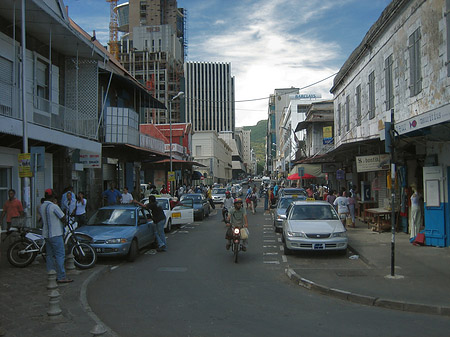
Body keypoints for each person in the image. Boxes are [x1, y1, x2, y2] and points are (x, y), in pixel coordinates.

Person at [40, 189, 73, 283]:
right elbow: (63, 218)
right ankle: (61, 276)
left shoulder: (42, 206)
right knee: (60, 254)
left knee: (50, 255)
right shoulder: (54, 207)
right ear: (53, 197)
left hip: (46, 234)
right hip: (56, 233)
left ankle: (51, 274)